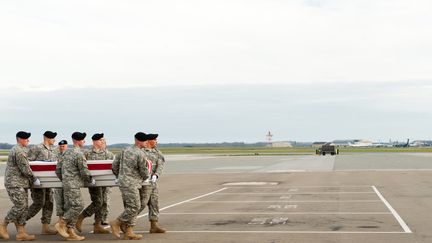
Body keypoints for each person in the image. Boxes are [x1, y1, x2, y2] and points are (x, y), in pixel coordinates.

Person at [55, 132, 95, 241]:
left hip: (66, 184)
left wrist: (65, 180)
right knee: (78, 206)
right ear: (78, 141)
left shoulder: (65, 153)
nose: (84, 142)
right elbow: (84, 171)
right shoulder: (79, 154)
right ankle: (61, 223)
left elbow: (58, 170)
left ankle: (71, 232)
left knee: (70, 207)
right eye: (83, 140)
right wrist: (91, 180)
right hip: (73, 185)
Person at [110, 132, 150, 240]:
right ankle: (116, 223)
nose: (147, 142)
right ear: (139, 141)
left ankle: (128, 232)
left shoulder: (125, 150)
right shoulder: (140, 153)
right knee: (135, 207)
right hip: (132, 183)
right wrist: (147, 176)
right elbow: (144, 171)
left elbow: (114, 165)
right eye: (145, 140)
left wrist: (120, 175)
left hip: (123, 182)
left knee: (130, 207)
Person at [0, 131, 37, 241]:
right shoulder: (18, 151)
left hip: (21, 183)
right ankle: (3, 225)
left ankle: (21, 232)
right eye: (26, 139)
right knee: (20, 205)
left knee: (24, 207)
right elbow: (25, 168)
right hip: (14, 183)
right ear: (19, 139)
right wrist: (34, 179)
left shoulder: (22, 150)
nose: (28, 141)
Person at [76, 133, 114, 234]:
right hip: (93, 183)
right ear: (95, 142)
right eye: (100, 140)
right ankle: (81, 217)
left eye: (103, 140)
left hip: (105, 183)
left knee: (102, 203)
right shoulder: (87, 154)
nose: (102, 142)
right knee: (98, 202)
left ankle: (97, 225)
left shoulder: (108, 154)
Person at [26, 131, 58, 235]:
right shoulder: (36, 148)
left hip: (50, 182)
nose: (54, 140)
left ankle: (46, 227)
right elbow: (28, 163)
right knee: (38, 203)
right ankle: (19, 221)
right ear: (47, 138)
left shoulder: (54, 149)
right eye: (53, 138)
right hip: (38, 182)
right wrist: (33, 179)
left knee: (49, 203)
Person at [141, 133, 166, 233]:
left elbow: (160, 165)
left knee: (154, 203)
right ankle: (126, 222)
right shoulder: (141, 152)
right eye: (155, 139)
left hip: (153, 182)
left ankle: (154, 225)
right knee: (141, 204)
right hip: (143, 182)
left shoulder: (158, 153)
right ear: (149, 141)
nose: (156, 141)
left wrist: (156, 174)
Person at [53, 140, 68, 234]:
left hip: (67, 182)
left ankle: (65, 221)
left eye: (64, 146)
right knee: (59, 202)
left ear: (66, 146)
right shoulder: (55, 156)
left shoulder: (69, 155)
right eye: (60, 146)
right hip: (58, 182)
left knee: (67, 202)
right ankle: (60, 219)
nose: (62, 147)